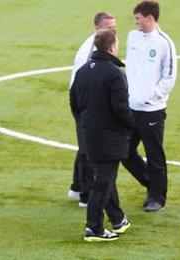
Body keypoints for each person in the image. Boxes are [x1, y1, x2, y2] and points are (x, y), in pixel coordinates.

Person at [70, 29, 134, 242]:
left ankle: (117, 219)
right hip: (109, 137)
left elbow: (74, 103)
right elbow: (121, 108)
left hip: (89, 135)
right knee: (103, 182)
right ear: (112, 47)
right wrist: (130, 125)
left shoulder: (83, 71)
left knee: (106, 179)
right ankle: (94, 228)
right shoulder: (114, 73)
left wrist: (85, 123)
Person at [123, 0, 177, 212]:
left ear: (150, 18)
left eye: (138, 18)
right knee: (124, 150)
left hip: (152, 109)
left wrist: (151, 96)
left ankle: (158, 198)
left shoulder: (165, 43)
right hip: (130, 107)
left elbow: (169, 77)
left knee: (154, 154)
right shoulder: (132, 37)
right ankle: (151, 184)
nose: (136, 22)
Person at [67, 12, 117, 207]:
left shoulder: (104, 42)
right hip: (84, 103)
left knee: (85, 145)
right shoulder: (90, 49)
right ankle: (86, 195)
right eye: (109, 27)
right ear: (97, 28)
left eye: (114, 26)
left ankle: (76, 187)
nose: (113, 30)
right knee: (89, 148)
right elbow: (81, 81)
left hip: (88, 103)